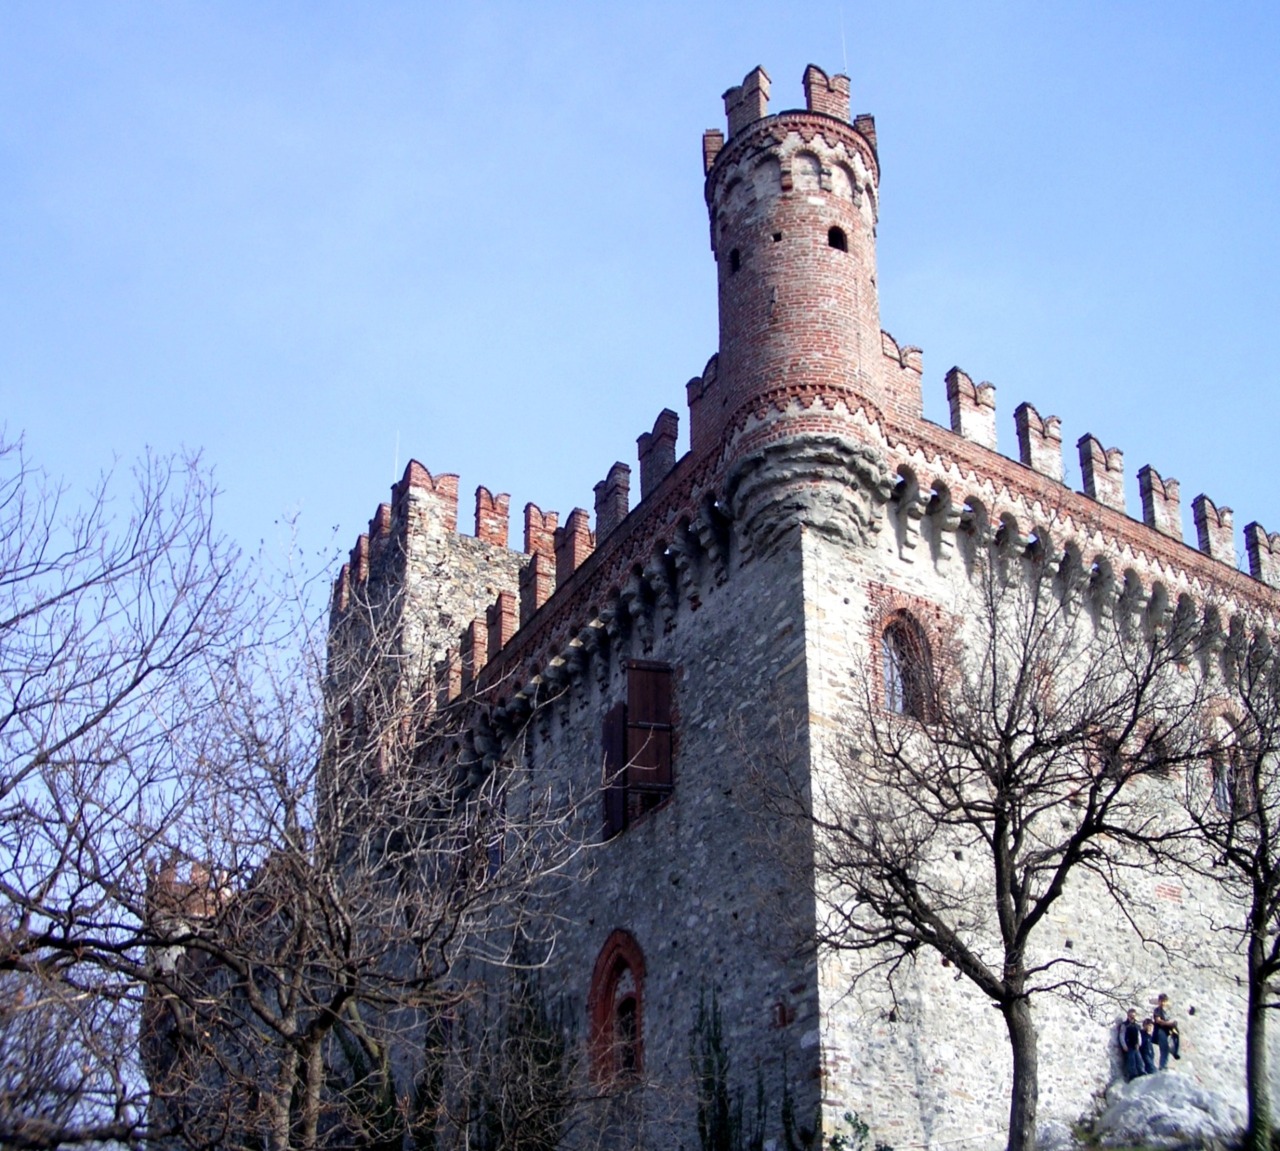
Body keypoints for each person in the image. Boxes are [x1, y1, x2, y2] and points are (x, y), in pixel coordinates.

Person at [1152, 993, 1181, 1069]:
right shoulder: (1157, 1010)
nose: (1162, 1003)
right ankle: (1162, 1066)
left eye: (1164, 1001)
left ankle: (1174, 1053)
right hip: (1161, 1030)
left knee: (1171, 1045)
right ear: (1158, 1001)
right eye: (1161, 1001)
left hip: (1168, 1032)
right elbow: (1158, 1021)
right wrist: (1169, 1023)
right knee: (1164, 1048)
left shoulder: (1168, 1011)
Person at [1119, 1008, 1144, 1081]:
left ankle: (1141, 1071)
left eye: (1133, 1016)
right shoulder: (1124, 1025)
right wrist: (1124, 1045)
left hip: (1135, 1045)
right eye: (1130, 1016)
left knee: (1139, 1059)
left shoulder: (1136, 1025)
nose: (1132, 1018)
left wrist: (1139, 1044)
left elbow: (1139, 1035)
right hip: (1128, 1045)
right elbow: (1122, 1035)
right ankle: (1132, 1074)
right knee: (1131, 1059)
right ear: (1128, 1016)